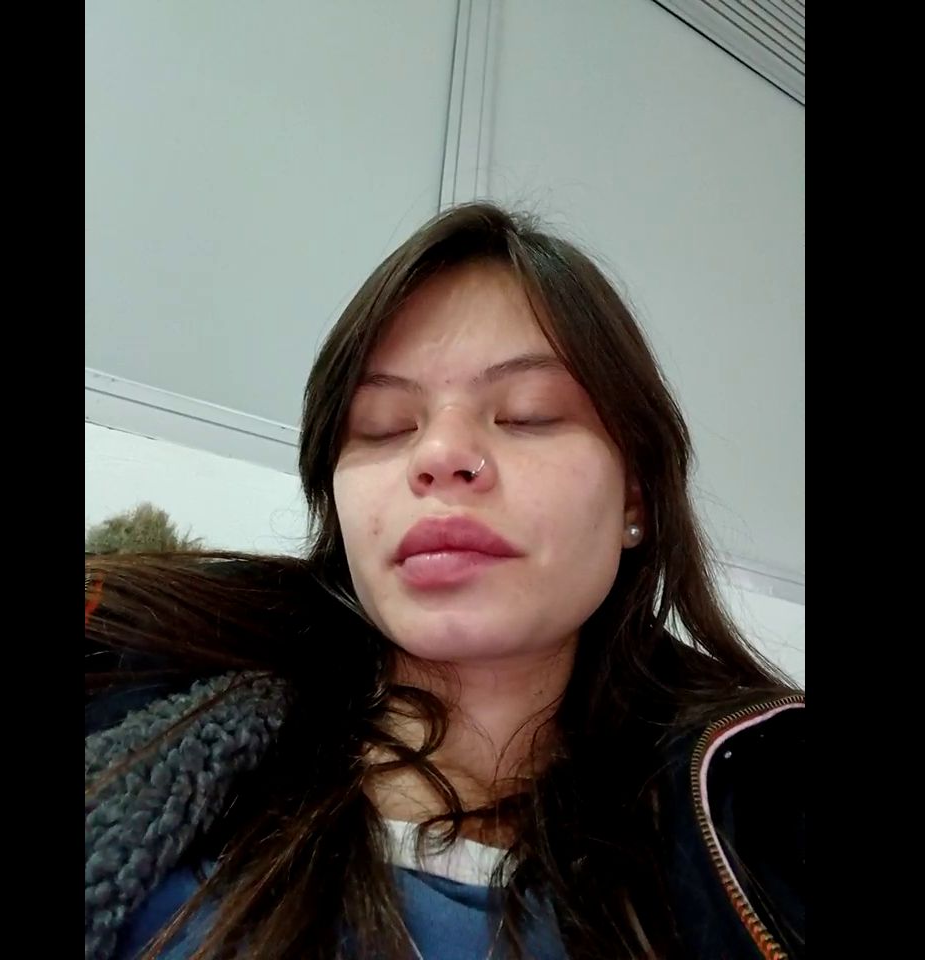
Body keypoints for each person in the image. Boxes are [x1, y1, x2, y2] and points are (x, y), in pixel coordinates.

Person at [85, 202, 804, 960]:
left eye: (527, 414)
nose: (439, 453)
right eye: (385, 425)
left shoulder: (770, 809)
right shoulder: (128, 680)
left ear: (636, 499)